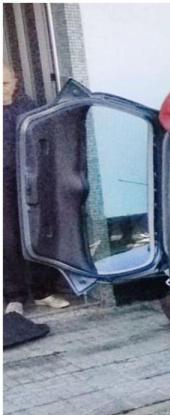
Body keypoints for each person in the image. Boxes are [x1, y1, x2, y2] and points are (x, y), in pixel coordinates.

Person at [3, 63, 70, 314]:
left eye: (5, 83)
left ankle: (43, 292)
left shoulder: (30, 108)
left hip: (30, 180)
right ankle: (15, 297)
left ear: (15, 82)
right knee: (8, 239)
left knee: (38, 232)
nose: (1, 89)